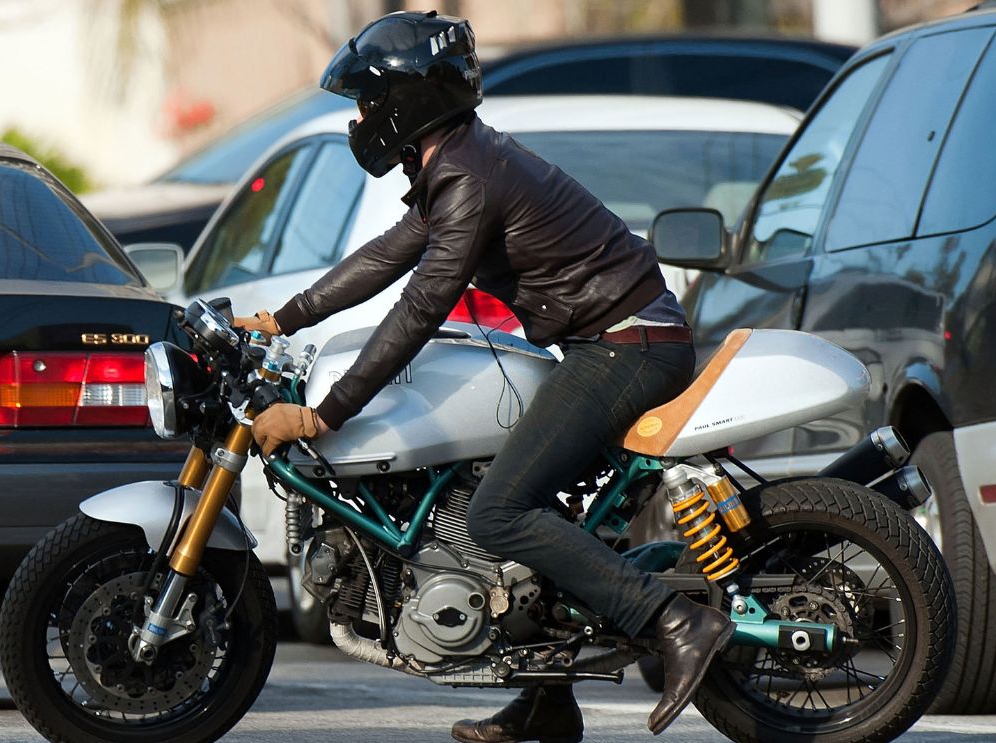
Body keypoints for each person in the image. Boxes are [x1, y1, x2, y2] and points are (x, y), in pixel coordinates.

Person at [236, 11, 734, 742]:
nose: (363, 118)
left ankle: (673, 617)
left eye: (369, 101)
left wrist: (323, 415)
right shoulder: (454, 161)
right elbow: (386, 253)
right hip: (607, 340)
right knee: (501, 494)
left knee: (497, 511)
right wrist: (283, 318)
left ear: (409, 98)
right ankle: (545, 700)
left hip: (627, 347)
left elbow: (418, 305)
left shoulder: (466, 174)